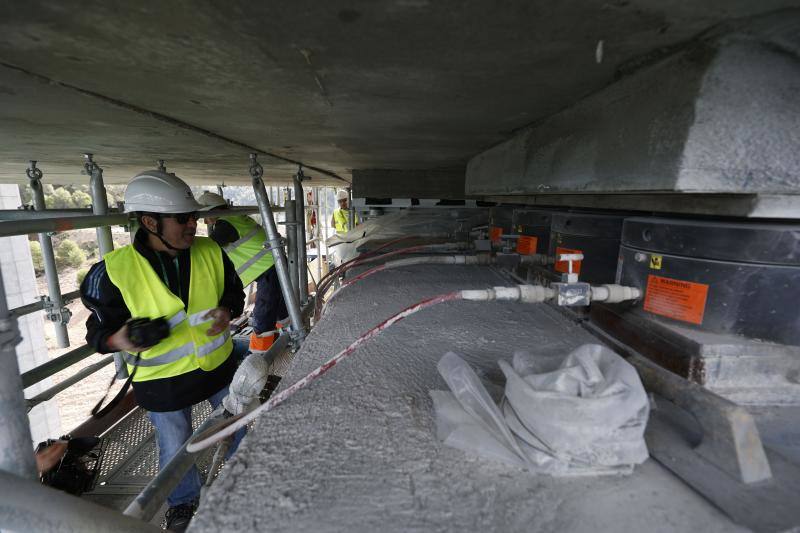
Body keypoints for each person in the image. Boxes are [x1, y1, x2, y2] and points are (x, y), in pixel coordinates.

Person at [80, 171, 246, 532]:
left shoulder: (210, 251)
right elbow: (96, 334)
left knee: (241, 426)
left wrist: (227, 310)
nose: (193, 225)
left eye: (195, 217)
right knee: (175, 450)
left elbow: (235, 293)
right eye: (183, 218)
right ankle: (184, 504)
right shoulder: (111, 272)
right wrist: (121, 339)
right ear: (150, 221)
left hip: (218, 368)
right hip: (163, 383)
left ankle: (241, 486)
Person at [197, 191, 288, 353]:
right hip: (273, 264)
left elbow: (208, 248)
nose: (205, 221)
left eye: (205, 216)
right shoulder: (235, 218)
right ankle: (289, 336)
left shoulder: (225, 225)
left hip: (268, 268)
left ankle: (257, 357)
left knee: (263, 314)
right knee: (280, 308)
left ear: (212, 210)